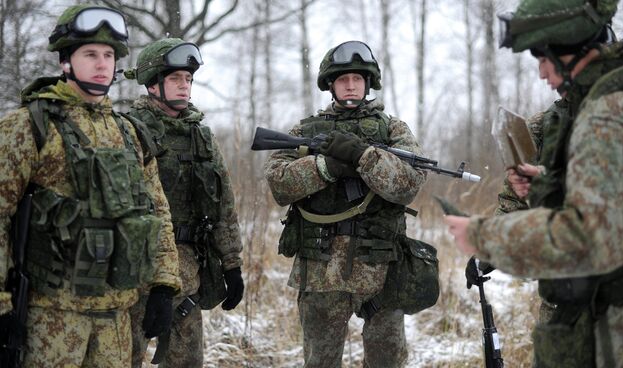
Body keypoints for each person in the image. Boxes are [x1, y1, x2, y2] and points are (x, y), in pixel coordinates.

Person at [445, 0, 623, 366]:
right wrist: (546, 187)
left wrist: (484, 238)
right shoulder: (621, 100)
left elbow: (590, 238)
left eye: (543, 58)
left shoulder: (611, 114)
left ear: (569, 51)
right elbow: (620, 201)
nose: (541, 73)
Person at [0, 5, 181, 367]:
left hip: (116, 317)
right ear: (66, 61)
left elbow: (157, 212)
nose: (102, 64)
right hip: (50, 317)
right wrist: (2, 309)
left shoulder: (130, 132)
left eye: (109, 55)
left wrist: (163, 286)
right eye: (91, 54)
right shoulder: (28, 127)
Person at [264, 40, 426, 368]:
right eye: (342, 80)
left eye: (357, 78)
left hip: (381, 265)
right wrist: (327, 167)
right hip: (321, 268)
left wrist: (363, 156)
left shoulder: (392, 129)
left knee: (388, 361)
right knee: (320, 361)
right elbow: (278, 182)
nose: (350, 85)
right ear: (330, 86)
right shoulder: (305, 130)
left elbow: (409, 184)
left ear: (368, 84)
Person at [125, 38, 244, 367]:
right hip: (138, 276)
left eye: (188, 79)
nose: (184, 85)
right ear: (153, 84)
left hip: (189, 276)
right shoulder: (128, 132)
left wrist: (232, 264)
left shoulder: (201, 137)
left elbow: (224, 205)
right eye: (176, 78)